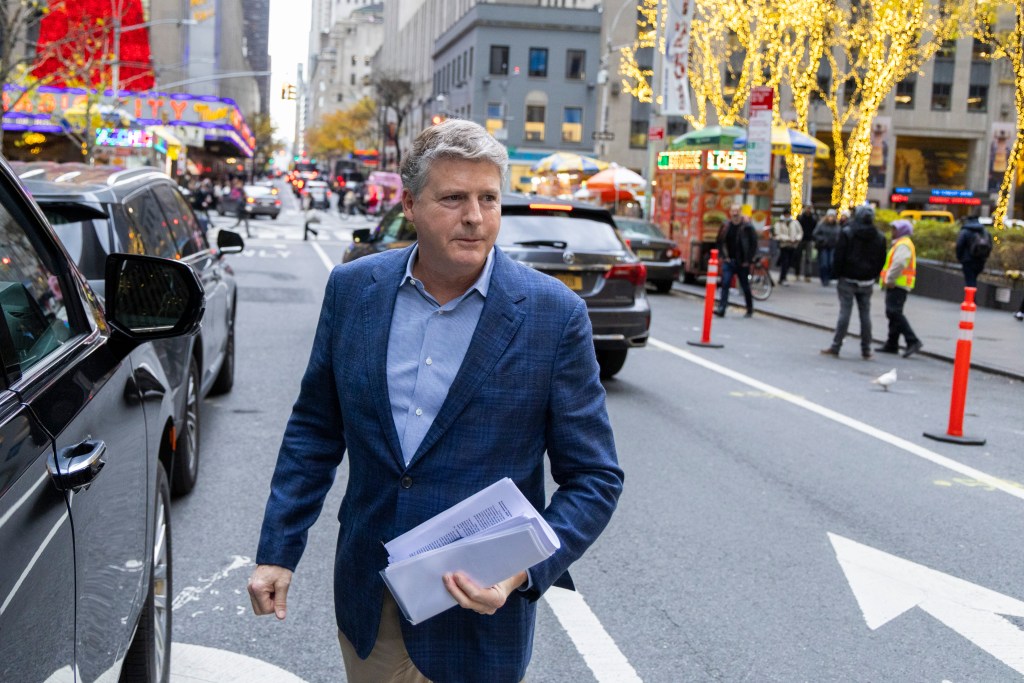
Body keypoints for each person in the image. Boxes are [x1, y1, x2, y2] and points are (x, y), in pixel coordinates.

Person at [247, 119, 623, 683]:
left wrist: (519, 572)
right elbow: (315, 430)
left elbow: (595, 477)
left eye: (488, 198)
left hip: (478, 616)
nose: (474, 216)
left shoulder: (553, 314)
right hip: (369, 597)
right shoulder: (354, 290)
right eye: (453, 198)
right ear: (411, 205)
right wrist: (279, 549)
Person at [821, 204, 887, 359]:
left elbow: (839, 256)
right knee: (865, 314)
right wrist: (873, 274)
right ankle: (866, 349)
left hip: (848, 278)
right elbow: (881, 260)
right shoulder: (879, 236)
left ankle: (836, 346)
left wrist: (837, 274)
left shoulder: (847, 232)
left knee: (845, 312)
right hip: (867, 281)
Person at [877, 219, 923, 357]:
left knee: (894, 312)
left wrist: (889, 279)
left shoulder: (903, 245)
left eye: (895, 229)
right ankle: (892, 343)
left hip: (898, 283)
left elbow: (899, 263)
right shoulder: (901, 244)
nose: (892, 232)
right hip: (898, 283)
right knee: (893, 312)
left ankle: (912, 340)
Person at [715, 206, 759, 317]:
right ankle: (722, 307)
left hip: (742, 262)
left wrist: (748, 260)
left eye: (737, 211)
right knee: (725, 283)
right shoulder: (726, 226)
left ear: (740, 212)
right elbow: (719, 241)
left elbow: (753, 244)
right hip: (729, 261)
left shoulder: (747, 227)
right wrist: (724, 256)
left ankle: (749, 308)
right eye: (733, 211)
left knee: (745, 286)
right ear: (730, 212)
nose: (735, 213)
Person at [955, 216, 992, 288]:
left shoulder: (965, 231)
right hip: (981, 260)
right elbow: (990, 245)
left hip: (967, 260)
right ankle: (972, 297)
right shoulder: (985, 231)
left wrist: (959, 257)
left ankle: (971, 298)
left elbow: (959, 245)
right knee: (973, 279)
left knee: (970, 281)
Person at [772, 208, 803, 286]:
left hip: (793, 245)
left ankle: (783, 277)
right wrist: (788, 239)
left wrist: (796, 239)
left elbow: (800, 232)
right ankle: (782, 278)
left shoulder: (795, 222)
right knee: (785, 262)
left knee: (789, 262)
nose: (787, 215)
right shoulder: (779, 223)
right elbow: (777, 234)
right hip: (784, 245)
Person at [812, 209, 841, 286]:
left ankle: (829, 277)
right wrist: (822, 240)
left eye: (833, 216)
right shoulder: (821, 224)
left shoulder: (837, 226)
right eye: (830, 216)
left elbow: (839, 235)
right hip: (823, 246)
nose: (831, 218)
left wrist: (837, 241)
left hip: (833, 246)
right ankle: (824, 278)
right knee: (824, 263)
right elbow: (815, 234)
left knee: (831, 263)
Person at [795, 205, 817, 281]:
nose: (808, 210)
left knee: (808, 258)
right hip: (800, 239)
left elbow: (815, 229)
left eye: (809, 208)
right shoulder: (800, 218)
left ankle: (807, 275)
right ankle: (797, 274)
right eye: (807, 208)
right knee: (798, 257)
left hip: (809, 239)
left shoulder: (813, 218)